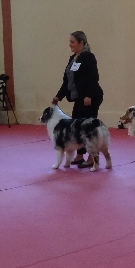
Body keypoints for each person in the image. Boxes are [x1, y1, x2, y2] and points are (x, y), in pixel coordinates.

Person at [52, 31, 104, 169]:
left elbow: (94, 78)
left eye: (72, 42)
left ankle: (93, 158)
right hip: (78, 98)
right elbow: (67, 81)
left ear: (81, 43)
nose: (70, 45)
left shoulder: (88, 57)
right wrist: (58, 96)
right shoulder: (73, 58)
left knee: (88, 128)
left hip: (90, 96)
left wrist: (88, 95)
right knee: (76, 127)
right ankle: (80, 155)